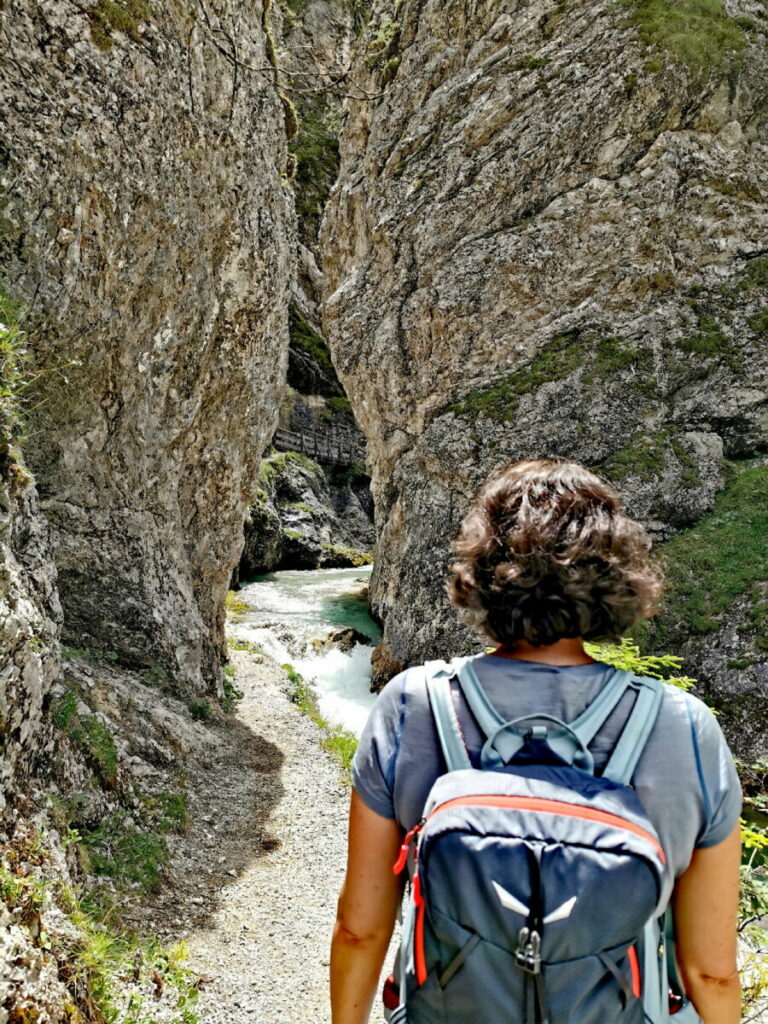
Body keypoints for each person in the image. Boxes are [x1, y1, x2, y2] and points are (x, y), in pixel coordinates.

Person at [330, 458, 742, 1024]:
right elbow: (710, 971)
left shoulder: (414, 704)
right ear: (616, 578)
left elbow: (361, 927)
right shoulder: (684, 726)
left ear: (479, 569)